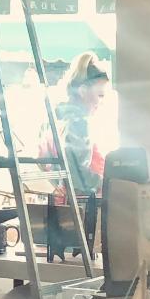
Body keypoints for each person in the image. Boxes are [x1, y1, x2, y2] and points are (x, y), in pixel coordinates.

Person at [55, 51, 110, 201]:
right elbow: (79, 177)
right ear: (83, 91)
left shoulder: (61, 120)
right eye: (100, 95)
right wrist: (109, 183)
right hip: (77, 204)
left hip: (63, 201)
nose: (101, 102)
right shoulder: (79, 123)